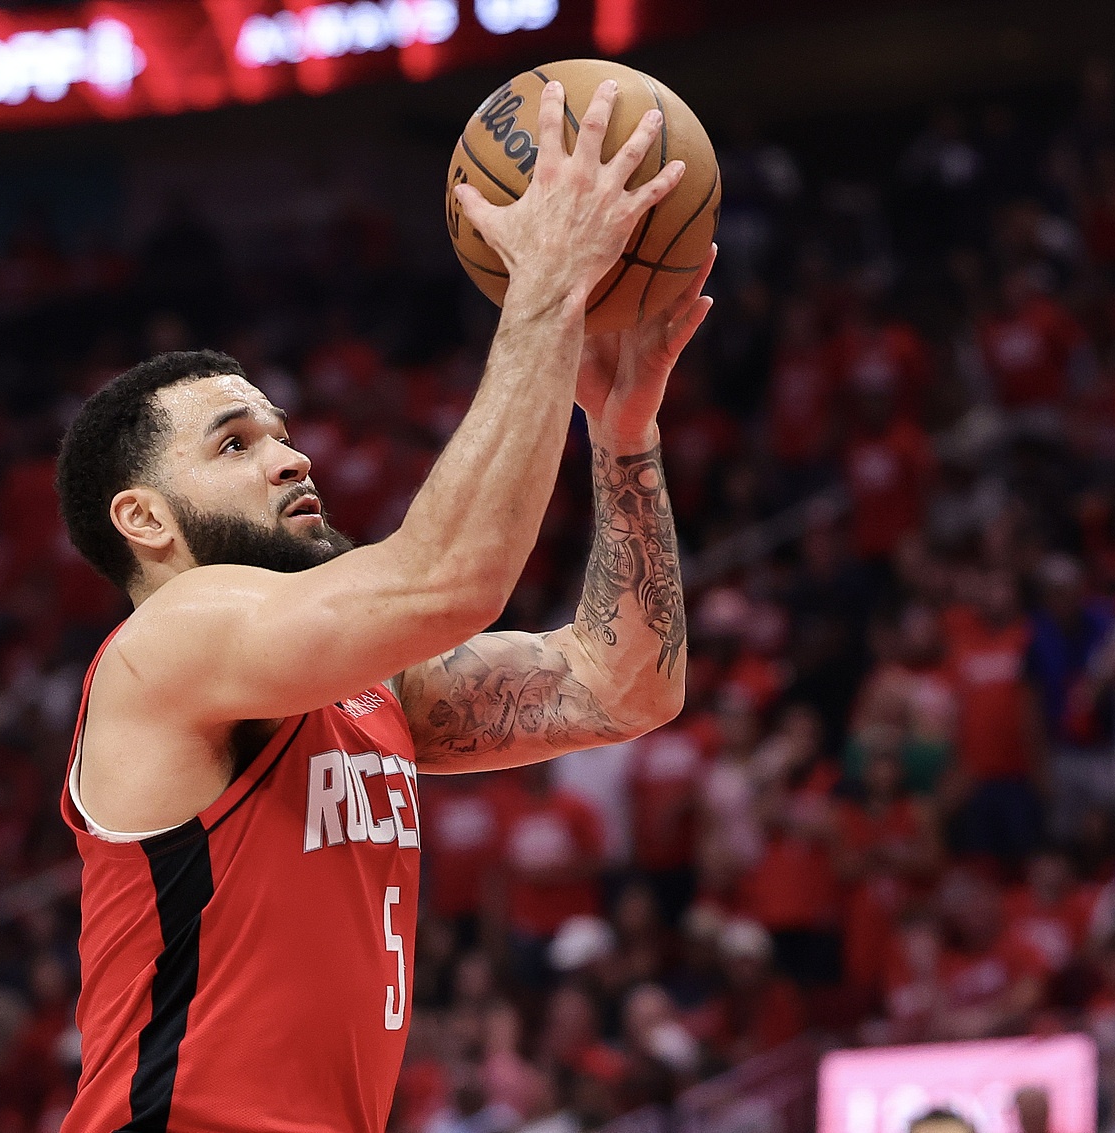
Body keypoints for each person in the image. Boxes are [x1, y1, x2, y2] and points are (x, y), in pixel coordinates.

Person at [51, 80, 712, 1133]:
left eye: (281, 431)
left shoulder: (359, 688)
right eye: (235, 443)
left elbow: (621, 685)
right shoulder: (165, 644)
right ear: (144, 517)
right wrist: (546, 282)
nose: (290, 456)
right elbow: (453, 577)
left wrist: (622, 432)